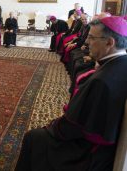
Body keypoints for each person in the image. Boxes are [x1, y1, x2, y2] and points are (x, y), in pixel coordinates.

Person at [15, 16, 127, 171]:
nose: (87, 42)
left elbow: (72, 127)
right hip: (100, 145)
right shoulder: (120, 65)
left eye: (92, 37)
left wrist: (53, 125)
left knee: (33, 137)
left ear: (110, 42)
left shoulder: (101, 81)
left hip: (88, 153)